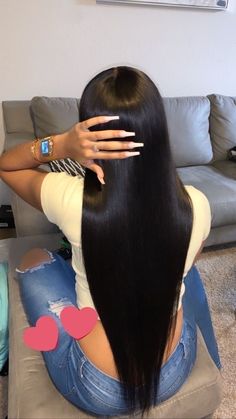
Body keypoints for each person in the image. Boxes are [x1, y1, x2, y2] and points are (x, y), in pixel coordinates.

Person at [0, 66, 221, 417]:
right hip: (174, 367)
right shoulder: (196, 205)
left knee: (34, 258)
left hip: (98, 386)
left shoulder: (72, 199)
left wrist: (60, 144)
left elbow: (7, 166)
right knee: (183, 271)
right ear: (158, 129)